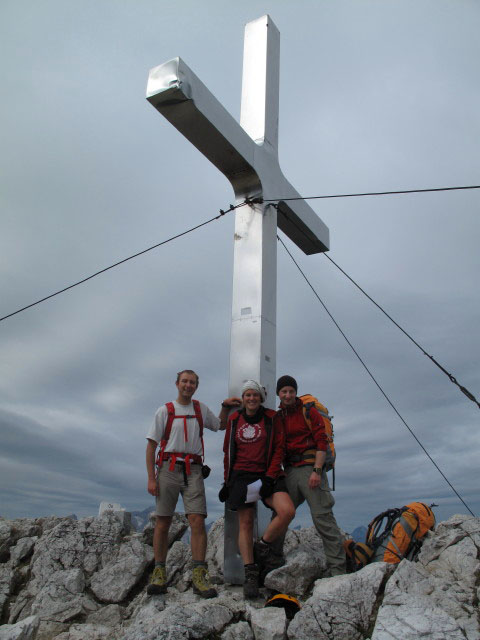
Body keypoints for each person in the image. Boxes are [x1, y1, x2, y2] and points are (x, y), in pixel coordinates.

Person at [146, 369, 241, 597]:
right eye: (184, 381)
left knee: (197, 520)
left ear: (196, 386)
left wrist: (225, 406)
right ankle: (159, 573)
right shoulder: (165, 411)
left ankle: (200, 575)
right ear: (177, 383)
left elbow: (220, 425)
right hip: (168, 468)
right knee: (163, 522)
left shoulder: (200, 409)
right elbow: (151, 445)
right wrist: (151, 478)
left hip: (194, 470)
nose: (188, 385)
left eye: (192, 382)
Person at [220, 380, 295, 598]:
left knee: (287, 511)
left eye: (255, 395)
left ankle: (262, 547)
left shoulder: (272, 418)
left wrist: (270, 477)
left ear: (261, 397)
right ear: (243, 399)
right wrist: (227, 481)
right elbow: (228, 451)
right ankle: (250, 573)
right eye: (247, 395)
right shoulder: (235, 419)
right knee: (245, 523)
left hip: (268, 474)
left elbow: (279, 448)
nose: (251, 399)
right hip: (242, 476)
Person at [274, 375, 346, 576]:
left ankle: (338, 570)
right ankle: (272, 562)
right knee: (280, 516)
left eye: (291, 391)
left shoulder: (308, 412)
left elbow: (321, 441)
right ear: (278, 394)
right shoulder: (279, 417)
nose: (288, 395)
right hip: (289, 471)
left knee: (323, 518)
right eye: (284, 391)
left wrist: (317, 470)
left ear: (295, 392)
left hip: (310, 469)